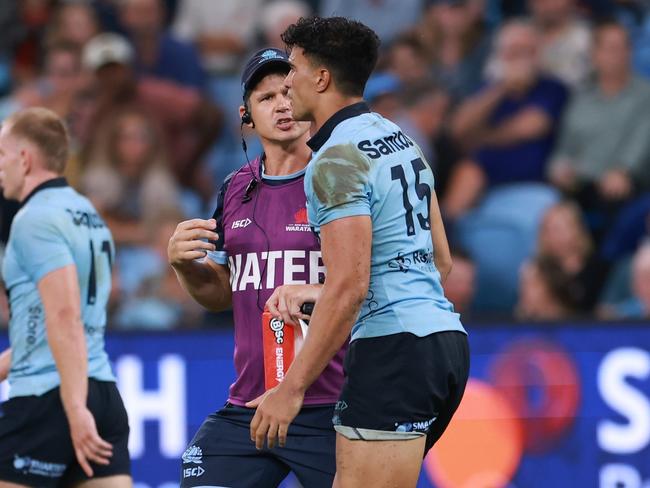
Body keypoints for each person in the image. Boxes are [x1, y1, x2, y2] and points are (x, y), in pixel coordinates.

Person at [249, 17, 469, 488]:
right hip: (444, 342)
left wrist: (290, 391)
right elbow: (441, 261)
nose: (287, 82)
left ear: (322, 78)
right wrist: (317, 290)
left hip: (393, 349)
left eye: (293, 68)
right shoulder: (399, 138)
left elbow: (351, 287)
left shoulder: (333, 160)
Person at [168, 48, 345, 488]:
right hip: (251, 405)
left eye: (288, 92)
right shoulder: (234, 188)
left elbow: (366, 282)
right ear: (246, 114)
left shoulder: (341, 178)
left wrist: (312, 289)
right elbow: (226, 293)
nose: (282, 105)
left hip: (334, 404)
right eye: (266, 98)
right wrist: (185, 267)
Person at [0, 108, 130, 486]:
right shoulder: (86, 212)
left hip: (49, 398)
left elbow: (63, 316)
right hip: (103, 394)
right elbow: (54, 326)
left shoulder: (33, 219)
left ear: (24, 159)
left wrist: (74, 409)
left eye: (2, 155)